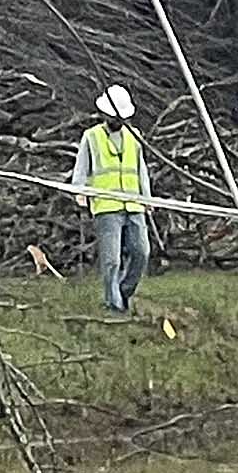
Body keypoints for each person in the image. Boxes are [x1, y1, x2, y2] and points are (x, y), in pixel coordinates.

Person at [70, 84, 151, 319]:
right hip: (107, 206)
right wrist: (81, 192)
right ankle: (113, 304)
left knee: (141, 252)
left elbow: (140, 169)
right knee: (111, 260)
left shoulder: (134, 137)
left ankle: (124, 292)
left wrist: (147, 198)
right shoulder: (91, 137)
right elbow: (81, 169)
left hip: (134, 204)